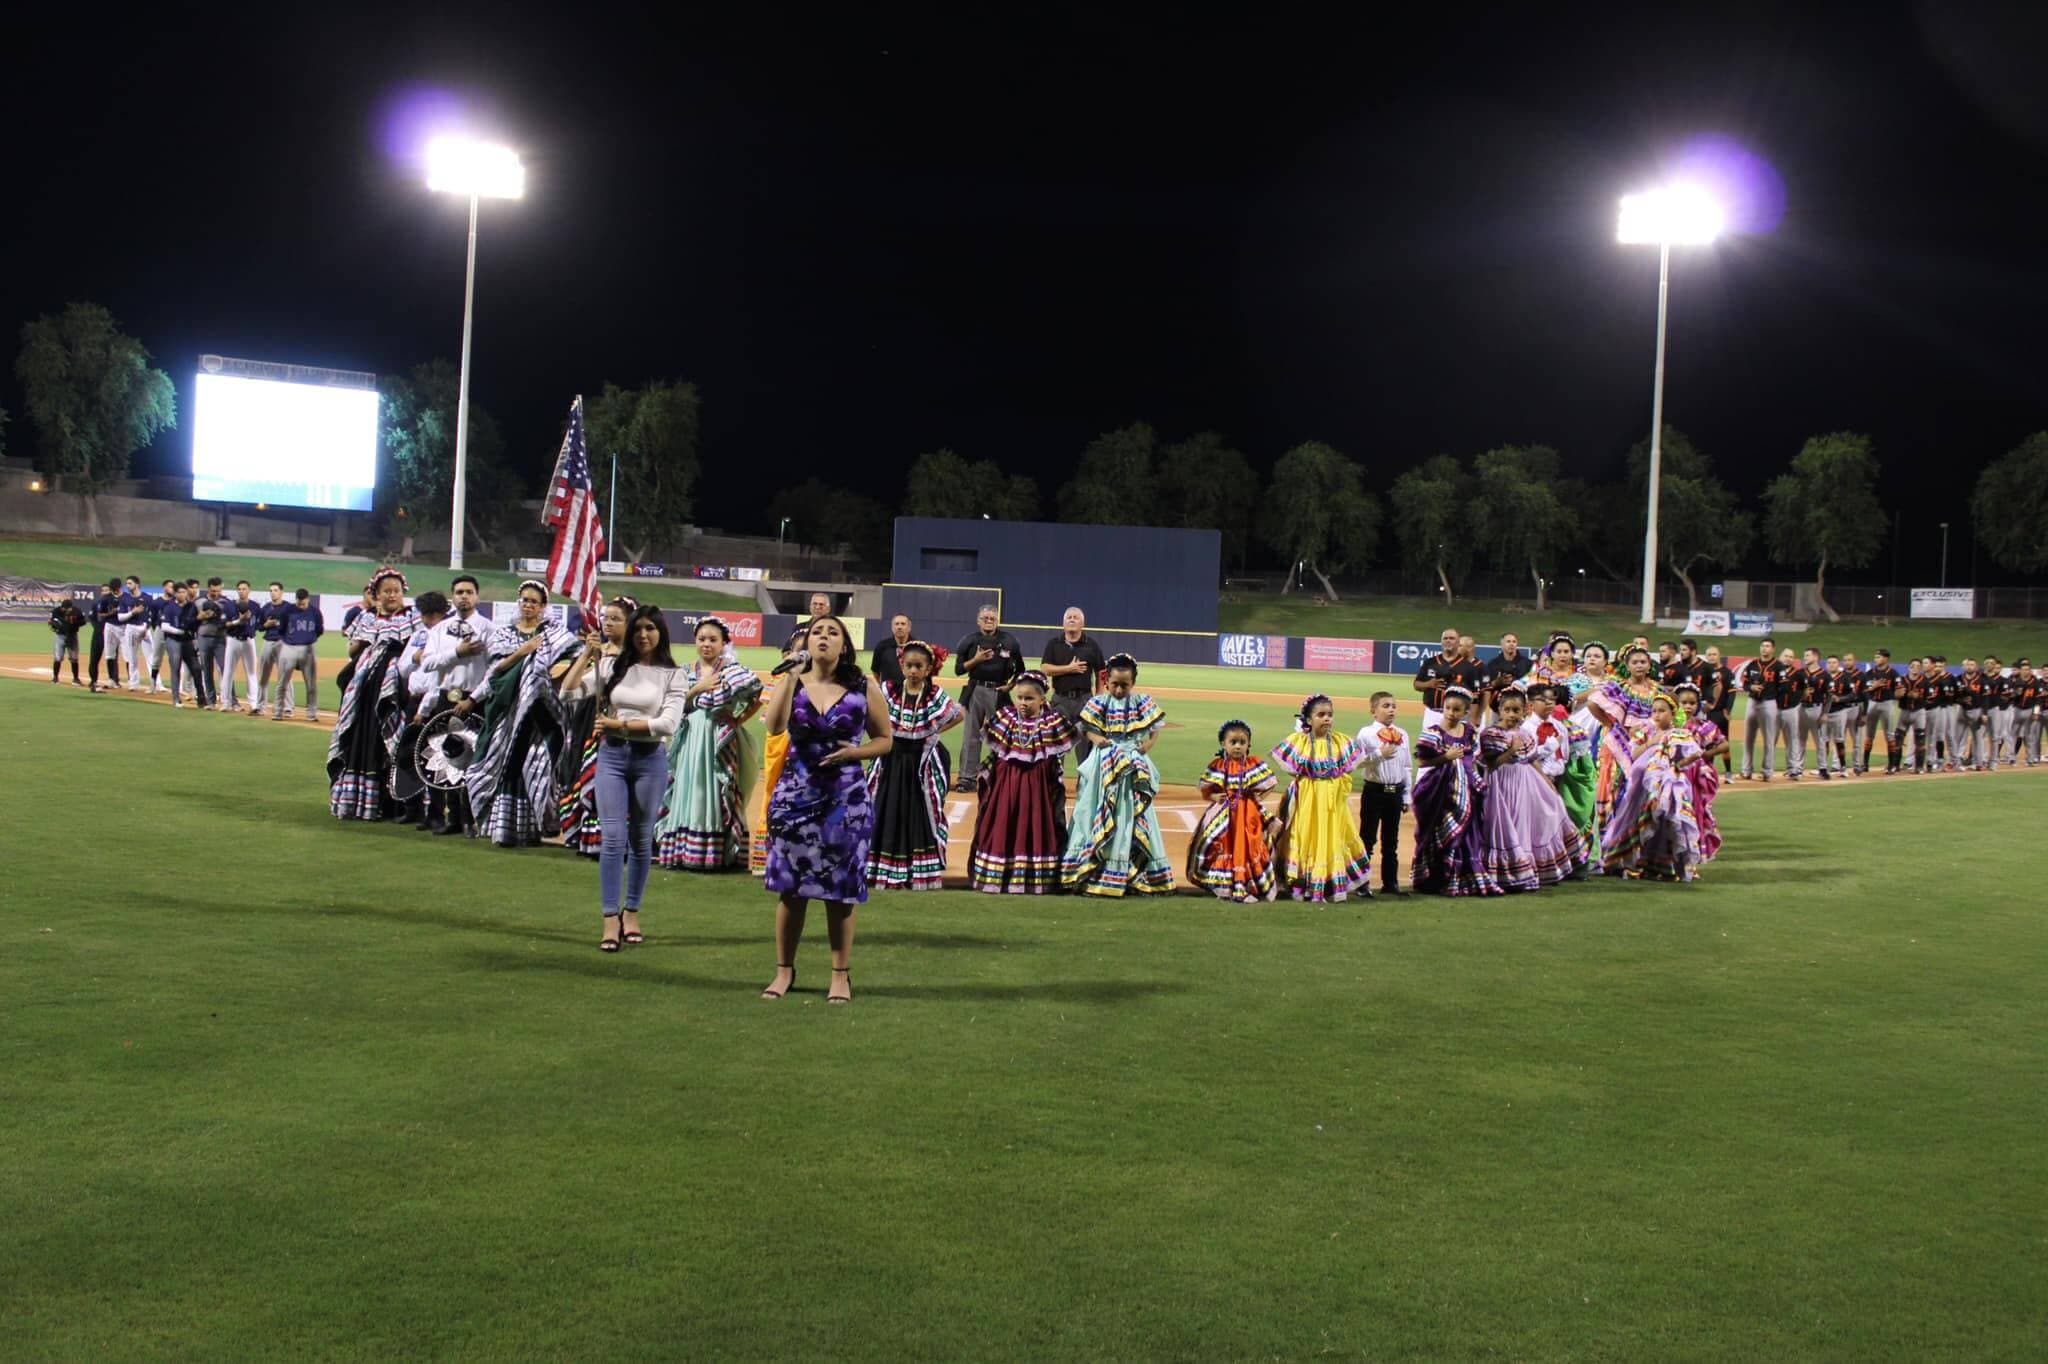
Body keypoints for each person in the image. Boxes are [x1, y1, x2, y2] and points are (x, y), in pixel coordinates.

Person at [760, 615, 893, 1005]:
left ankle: (840, 975)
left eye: (832, 632)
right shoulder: (793, 682)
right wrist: (789, 677)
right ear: (806, 642)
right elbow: (774, 727)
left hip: (845, 801)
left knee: (841, 891)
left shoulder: (862, 686)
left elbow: (885, 740)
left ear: (844, 646)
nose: (824, 637)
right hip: (794, 796)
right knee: (790, 889)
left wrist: (856, 752)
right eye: (817, 631)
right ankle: (784, 970)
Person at [556, 604, 689, 950]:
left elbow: (667, 725)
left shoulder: (673, 674)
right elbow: (567, 693)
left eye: (651, 628)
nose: (644, 635)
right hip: (612, 756)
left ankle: (632, 911)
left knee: (642, 840)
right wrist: (588, 652)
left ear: (661, 633)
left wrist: (620, 724)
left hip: (649, 758)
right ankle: (609, 918)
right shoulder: (612, 666)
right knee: (612, 839)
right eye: (639, 629)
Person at [465, 581, 583, 846]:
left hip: (540, 715)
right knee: (506, 765)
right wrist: (522, 652)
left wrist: (555, 682)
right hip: (507, 713)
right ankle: (505, 831)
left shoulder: (554, 633)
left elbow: (579, 655)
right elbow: (496, 671)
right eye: (524, 600)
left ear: (543, 606)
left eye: (534, 601)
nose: (528, 605)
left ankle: (532, 829)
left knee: (534, 766)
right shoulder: (505, 633)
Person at [653, 617, 766, 872]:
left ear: (723, 643)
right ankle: (685, 851)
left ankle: (717, 854)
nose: (706, 644)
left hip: (718, 741)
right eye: (702, 639)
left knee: (715, 791)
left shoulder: (732, 670)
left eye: (713, 640)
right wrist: (698, 689)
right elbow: (670, 706)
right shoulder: (684, 672)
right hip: (691, 739)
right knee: (689, 787)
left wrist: (738, 719)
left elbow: (758, 695)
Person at [1061, 653, 1175, 897]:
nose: (1120, 689)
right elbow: (1085, 728)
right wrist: (1097, 739)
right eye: (1115, 684)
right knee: (1092, 808)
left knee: (1132, 813)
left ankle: (1132, 870)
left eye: (1125, 684)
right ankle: (1094, 869)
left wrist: (1147, 746)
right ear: (1106, 680)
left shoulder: (1141, 702)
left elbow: (1155, 729)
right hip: (1105, 761)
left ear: (1133, 682)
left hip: (1133, 762)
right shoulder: (1098, 702)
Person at [863, 640, 964, 890]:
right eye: (909, 666)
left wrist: (935, 730)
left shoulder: (935, 695)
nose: (913, 671)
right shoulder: (888, 690)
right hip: (891, 761)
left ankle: (916, 869)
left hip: (921, 765)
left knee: (917, 812)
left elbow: (959, 713)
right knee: (886, 809)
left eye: (919, 666)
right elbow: (872, 714)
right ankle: (881, 867)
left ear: (929, 668)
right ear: (901, 665)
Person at [968, 671, 1073, 895]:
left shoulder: (1052, 722)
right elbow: (996, 755)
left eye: (1029, 698)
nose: (1023, 703)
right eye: (1020, 698)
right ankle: (1001, 876)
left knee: (1035, 825)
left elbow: (1055, 762)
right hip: (1006, 787)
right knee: (1003, 823)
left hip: (1037, 790)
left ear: (1043, 699)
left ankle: (1033, 877)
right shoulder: (1005, 717)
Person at [326, 568, 419, 820]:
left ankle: (397, 804)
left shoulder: (413, 617)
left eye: (396, 591)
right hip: (365, 696)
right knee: (363, 742)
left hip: (395, 696)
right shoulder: (366, 618)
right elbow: (353, 650)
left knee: (393, 744)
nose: (392, 596)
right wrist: (363, 642)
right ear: (376, 594)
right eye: (387, 591)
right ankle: (362, 802)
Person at [1475, 688, 1587, 890]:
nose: (1511, 714)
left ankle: (1527, 871)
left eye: (1516, 710)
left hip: (1524, 784)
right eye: (1507, 710)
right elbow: (1491, 765)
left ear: (1523, 711)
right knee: (1504, 826)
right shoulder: (1490, 734)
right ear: (1500, 710)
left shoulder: (1525, 734)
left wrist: (1546, 782)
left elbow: (1531, 760)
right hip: (1500, 786)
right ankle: (1505, 873)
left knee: (1527, 823)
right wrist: (1511, 750)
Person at [1269, 694, 1372, 902]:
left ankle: (1326, 886)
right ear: (1308, 719)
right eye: (1321, 715)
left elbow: (1352, 765)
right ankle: (1302, 884)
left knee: (1331, 838)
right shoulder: (1299, 742)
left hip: (1333, 805)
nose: (1327, 719)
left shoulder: (1341, 742)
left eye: (1330, 715)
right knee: (1306, 837)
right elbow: (1292, 770)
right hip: (1307, 801)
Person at [558, 597, 635, 858]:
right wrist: (586, 655)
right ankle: (599, 842)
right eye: (605, 618)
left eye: (615, 618)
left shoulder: (640, 661)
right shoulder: (604, 662)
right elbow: (567, 693)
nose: (608, 623)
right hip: (604, 736)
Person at [1601, 695, 1704, 882]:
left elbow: (1696, 753)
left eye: (1662, 711)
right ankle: (1634, 863)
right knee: (1635, 817)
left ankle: (1663, 864)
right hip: (1640, 785)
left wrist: (1677, 765)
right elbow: (1633, 752)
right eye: (1654, 711)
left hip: (1664, 786)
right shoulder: (1647, 731)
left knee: (1664, 820)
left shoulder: (1677, 734)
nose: (1657, 715)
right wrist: (1651, 742)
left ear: (1673, 713)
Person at [1411, 686, 1497, 896]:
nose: (1451, 712)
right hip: (1441, 791)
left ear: (1465, 712)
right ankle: (1438, 878)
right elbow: (1423, 761)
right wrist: (1446, 758)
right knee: (1439, 832)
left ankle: (1463, 878)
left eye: (1456, 709)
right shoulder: (1433, 732)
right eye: (1448, 708)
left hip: (1467, 789)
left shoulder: (1469, 732)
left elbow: (1475, 758)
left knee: (1468, 834)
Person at [1188, 719, 1279, 903]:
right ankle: (1224, 884)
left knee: (1249, 846)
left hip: (1248, 814)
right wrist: (1214, 798)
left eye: (1242, 742)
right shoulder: (1218, 765)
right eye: (1233, 742)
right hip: (1224, 814)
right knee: (1219, 843)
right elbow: (1206, 790)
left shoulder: (1253, 764)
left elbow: (1270, 782)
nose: (1238, 747)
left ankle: (1246, 883)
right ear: (1223, 743)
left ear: (1248, 744)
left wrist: (1259, 798)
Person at [952, 603, 1025, 791]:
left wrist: (1010, 685)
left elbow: (1021, 670)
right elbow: (959, 670)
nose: (989, 621)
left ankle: (999, 777)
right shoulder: (969, 641)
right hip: (975, 689)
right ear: (978, 621)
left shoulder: (1009, 641)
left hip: (999, 692)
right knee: (971, 736)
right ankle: (967, 778)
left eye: (992, 618)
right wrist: (976, 660)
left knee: (1000, 737)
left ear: (997, 621)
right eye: (985, 618)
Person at [1353, 692, 1411, 897]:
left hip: (1394, 793)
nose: (1391, 709)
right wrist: (1379, 754)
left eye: (1394, 705)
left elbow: (1406, 767)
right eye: (1386, 705)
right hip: (1374, 792)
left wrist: (1406, 796)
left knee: (1391, 841)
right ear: (1373, 710)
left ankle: (1391, 883)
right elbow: (1356, 762)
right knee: (1367, 839)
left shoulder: (1402, 734)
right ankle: (1362, 884)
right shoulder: (1366, 733)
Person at [1040, 606, 1108, 766]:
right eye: (1068, 617)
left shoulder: (1091, 645)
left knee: (1085, 743)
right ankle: (1056, 785)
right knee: (1057, 743)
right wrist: (1069, 668)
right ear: (1063, 624)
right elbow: (1045, 668)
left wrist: (1098, 695)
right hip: (1060, 700)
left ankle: (1084, 785)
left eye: (1075, 617)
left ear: (1082, 624)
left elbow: (1102, 671)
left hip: (1085, 700)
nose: (1071, 619)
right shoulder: (1054, 644)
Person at [1673, 684, 1728, 865]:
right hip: (1674, 774)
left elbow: (1724, 744)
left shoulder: (1704, 726)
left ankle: (1693, 848)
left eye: (1692, 703)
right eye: (1684, 703)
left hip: (1696, 777)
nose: (1688, 707)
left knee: (1696, 810)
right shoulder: (1671, 725)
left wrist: (1706, 754)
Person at [1413, 627, 1484, 732]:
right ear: (1441, 641)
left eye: (1452, 638)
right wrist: (1428, 684)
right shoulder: (1430, 662)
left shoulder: (1468, 667)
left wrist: (1473, 719)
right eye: (1445, 638)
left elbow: (1475, 696)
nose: (1448, 640)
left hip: (1457, 716)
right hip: (1433, 713)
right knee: (1429, 745)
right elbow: (1416, 684)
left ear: (1458, 642)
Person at [1736, 639, 1785, 781]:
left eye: (1768, 646)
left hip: (1769, 703)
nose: (1764, 649)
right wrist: (1751, 687)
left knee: (1769, 739)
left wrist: (1772, 694)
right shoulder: (1752, 664)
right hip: (1752, 702)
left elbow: (1783, 686)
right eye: (1763, 646)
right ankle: (1746, 770)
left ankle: (1767, 771)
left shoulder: (1778, 666)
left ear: (1773, 649)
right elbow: (1744, 684)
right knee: (1748, 738)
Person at [272, 589, 322, 720]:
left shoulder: (315, 612)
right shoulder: (287, 610)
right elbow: (281, 629)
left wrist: (308, 639)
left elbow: (319, 630)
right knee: (282, 683)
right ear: (296, 600)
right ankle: (278, 712)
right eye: (299, 603)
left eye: (303, 604)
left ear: (308, 599)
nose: (301, 606)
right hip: (289, 648)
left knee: (311, 684)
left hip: (308, 649)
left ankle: (311, 714)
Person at [217, 580, 262, 712]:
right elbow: (224, 624)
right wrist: (239, 621)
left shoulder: (255, 606)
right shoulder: (229, 606)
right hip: (233, 640)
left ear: (249, 590)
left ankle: (253, 704)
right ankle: (226, 702)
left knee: (252, 673)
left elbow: (259, 624)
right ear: (237, 591)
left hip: (248, 641)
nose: (242, 591)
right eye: (240, 589)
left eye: (244, 589)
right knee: (228, 672)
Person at [250, 582, 293, 718]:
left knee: (285, 676)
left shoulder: (288, 608)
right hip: (268, 641)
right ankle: (260, 706)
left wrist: (278, 624)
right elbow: (259, 627)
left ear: (281, 592)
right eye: (271, 590)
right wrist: (266, 624)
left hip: (283, 642)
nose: (273, 593)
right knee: (263, 676)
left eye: (275, 590)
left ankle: (287, 708)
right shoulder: (266, 608)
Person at [1480, 632, 1531, 727]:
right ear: (1502, 644)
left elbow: (1531, 683)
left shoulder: (1527, 663)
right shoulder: (1493, 664)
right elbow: (1485, 686)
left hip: (1520, 708)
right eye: (1508, 641)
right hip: (1497, 707)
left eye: (1514, 641)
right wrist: (1496, 682)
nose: (1511, 644)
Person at [192, 579, 229, 707]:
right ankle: (211, 701)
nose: (216, 593)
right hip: (204, 638)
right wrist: (200, 617)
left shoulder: (225, 602)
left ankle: (229, 700)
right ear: (208, 588)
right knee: (207, 670)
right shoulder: (199, 602)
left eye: (218, 590)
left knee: (225, 669)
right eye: (213, 591)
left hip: (220, 639)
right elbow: (192, 620)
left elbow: (229, 619)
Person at [1699, 645, 1734, 774]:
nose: (1712, 657)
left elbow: (1732, 693)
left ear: (1719, 655)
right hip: (1706, 713)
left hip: (1720, 712)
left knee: (1725, 743)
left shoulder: (1727, 673)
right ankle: (1709, 770)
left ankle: (1728, 772)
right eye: (1709, 655)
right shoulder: (1703, 672)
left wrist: (1728, 710)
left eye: (1714, 654)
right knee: (1708, 743)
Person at [1822, 654, 1858, 777]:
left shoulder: (1846, 677)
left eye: (1834, 662)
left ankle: (1843, 767)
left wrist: (1840, 699)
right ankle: (1822, 766)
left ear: (1839, 664)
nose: (1831, 665)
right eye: (1829, 662)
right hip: (1824, 713)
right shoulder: (1823, 677)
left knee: (1839, 740)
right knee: (1824, 740)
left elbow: (1853, 694)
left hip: (1839, 711)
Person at [114, 576, 148, 690]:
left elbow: (151, 615)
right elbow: (120, 618)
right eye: (127, 584)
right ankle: (134, 683)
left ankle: (156, 684)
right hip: (131, 628)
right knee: (132, 657)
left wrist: (146, 627)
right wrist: (132, 612)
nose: (127, 586)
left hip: (144, 628)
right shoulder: (124, 599)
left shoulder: (147, 598)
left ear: (137, 584)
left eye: (130, 583)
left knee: (152, 657)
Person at [88, 578, 121, 692]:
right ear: (101, 592)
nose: (106, 592)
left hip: (112, 632)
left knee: (112, 657)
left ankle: (115, 679)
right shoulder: (97, 603)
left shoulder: (116, 601)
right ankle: (93, 680)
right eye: (104, 590)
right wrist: (98, 629)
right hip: (99, 633)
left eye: (108, 590)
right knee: (94, 657)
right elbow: (92, 618)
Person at [869, 613, 915, 688]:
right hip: (888, 695)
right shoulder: (882, 646)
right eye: (896, 624)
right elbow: (875, 671)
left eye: (903, 624)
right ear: (892, 627)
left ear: (909, 627)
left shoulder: (917, 646)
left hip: (911, 693)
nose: (899, 627)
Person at [783, 591, 836, 656]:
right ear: (810, 607)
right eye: (814, 604)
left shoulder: (834, 630)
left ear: (828, 609)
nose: (817, 607)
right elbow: (785, 652)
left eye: (821, 604)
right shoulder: (799, 628)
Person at [48, 598, 86, 685]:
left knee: (74, 658)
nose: (66, 610)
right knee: (58, 657)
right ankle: (55, 678)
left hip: (72, 635)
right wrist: (54, 625)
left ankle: (75, 679)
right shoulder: (56, 611)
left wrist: (75, 622)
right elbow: (51, 622)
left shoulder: (76, 611)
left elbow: (83, 621)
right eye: (64, 608)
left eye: (68, 608)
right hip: (60, 636)